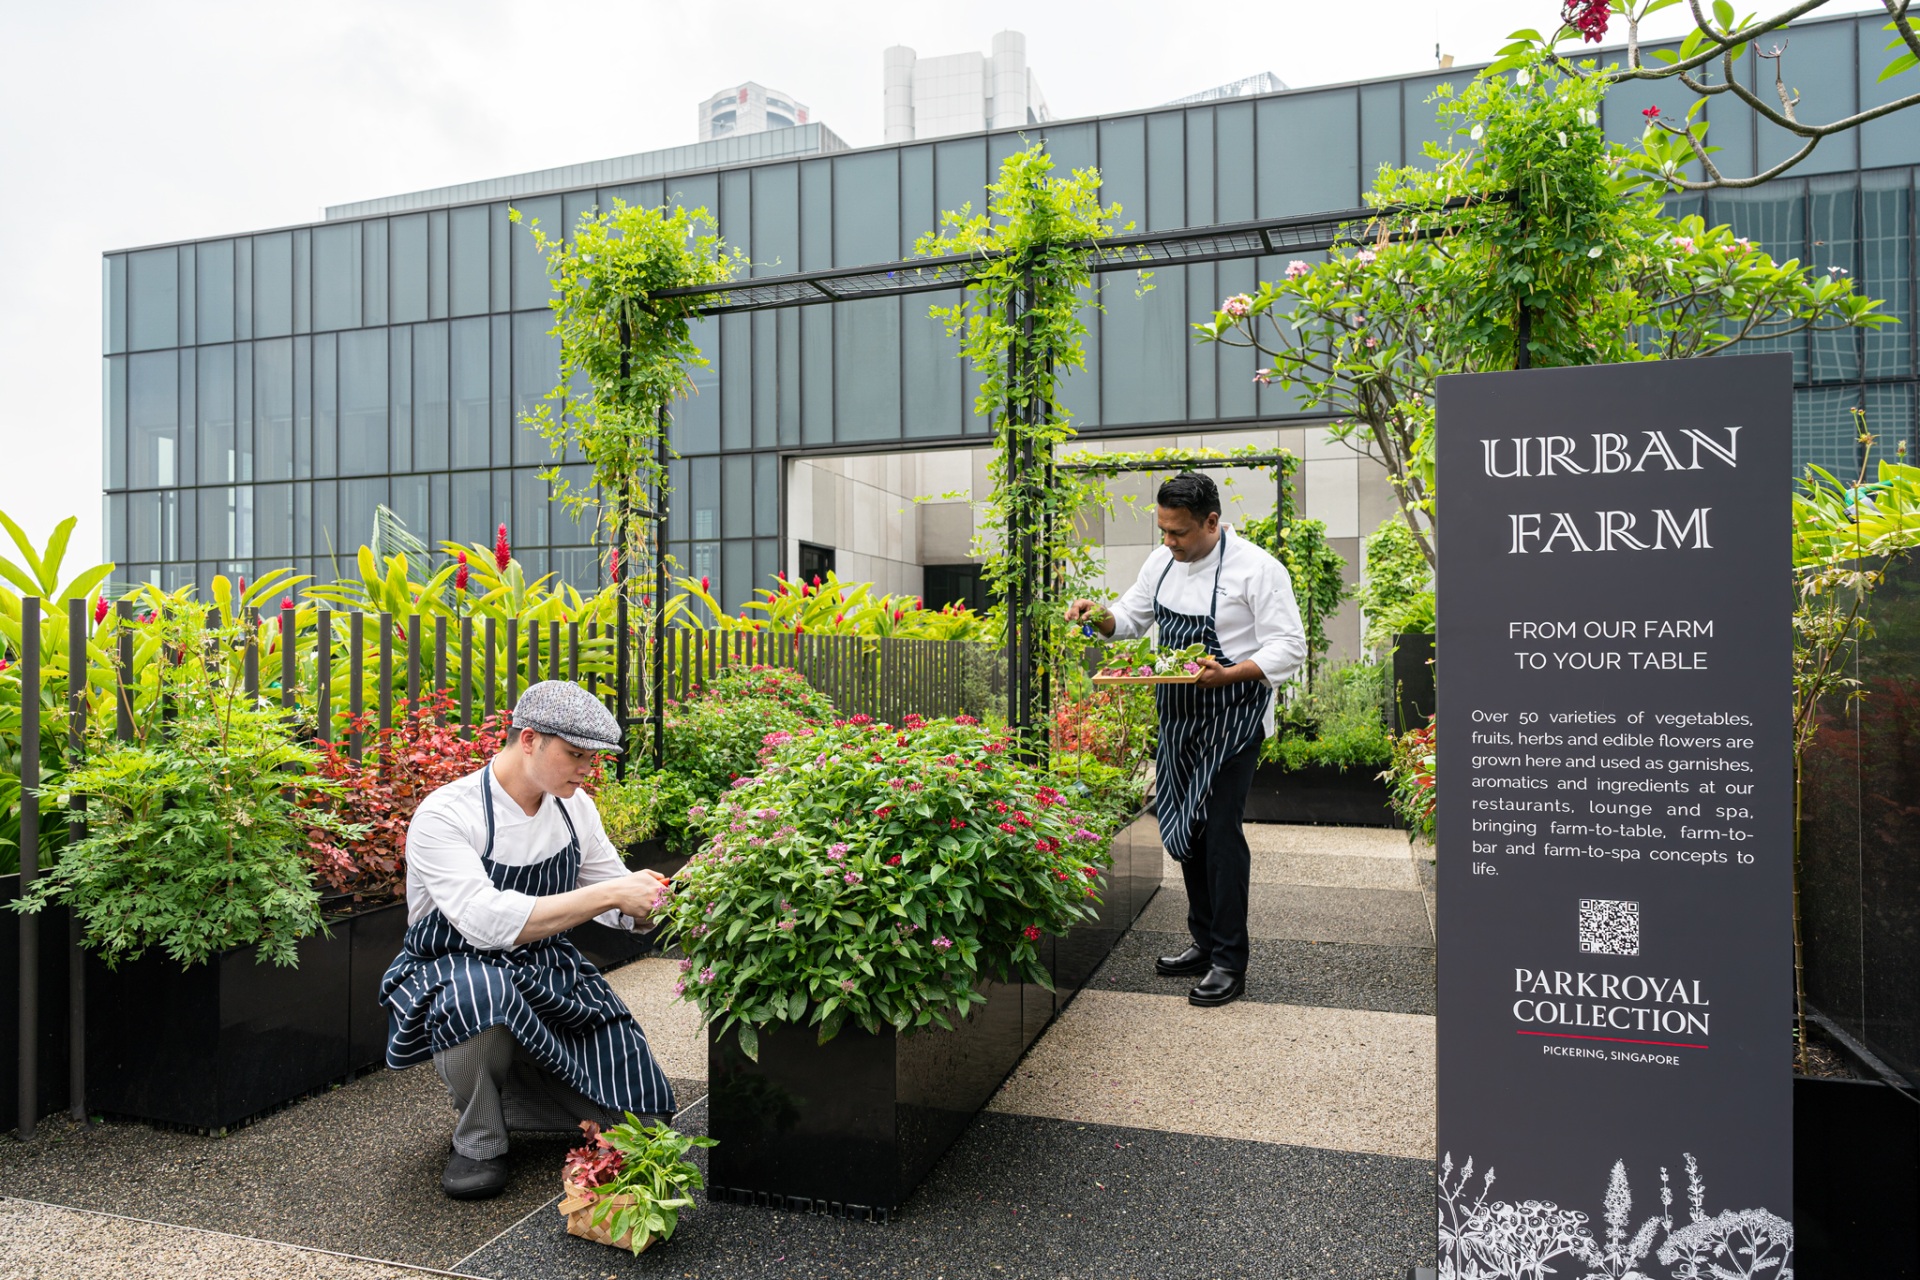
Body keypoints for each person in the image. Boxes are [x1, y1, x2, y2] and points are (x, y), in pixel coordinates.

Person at [381, 680, 678, 1200]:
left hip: (545, 965)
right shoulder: (447, 814)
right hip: (452, 963)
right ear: (529, 740)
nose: (587, 768)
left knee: (646, 1116)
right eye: (576, 754)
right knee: (480, 993)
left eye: (593, 757)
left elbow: (613, 901)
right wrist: (610, 893)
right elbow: (485, 923)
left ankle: (517, 1100)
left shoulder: (574, 808)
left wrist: (657, 903)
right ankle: (479, 1139)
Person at [1066, 472, 1306, 1008]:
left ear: (1212, 522)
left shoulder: (1258, 569)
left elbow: (1290, 647)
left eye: (1178, 533)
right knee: (1186, 829)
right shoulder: (1161, 563)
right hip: (1178, 717)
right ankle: (1203, 941)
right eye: (1163, 531)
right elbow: (1128, 618)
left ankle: (1228, 960)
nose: (1168, 542)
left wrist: (1230, 672)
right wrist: (1098, 617)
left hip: (1234, 720)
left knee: (1220, 834)